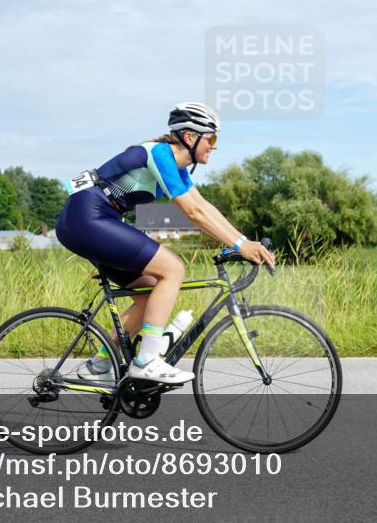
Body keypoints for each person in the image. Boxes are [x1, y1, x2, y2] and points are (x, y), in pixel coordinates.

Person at [55, 102, 276, 384]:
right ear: (189, 136)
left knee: (147, 295)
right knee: (172, 269)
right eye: (212, 138)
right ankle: (146, 361)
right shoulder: (160, 154)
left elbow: (203, 206)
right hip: (90, 217)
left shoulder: (177, 166)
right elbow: (193, 213)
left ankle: (97, 364)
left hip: (88, 220)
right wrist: (240, 246)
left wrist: (242, 241)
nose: (215, 146)